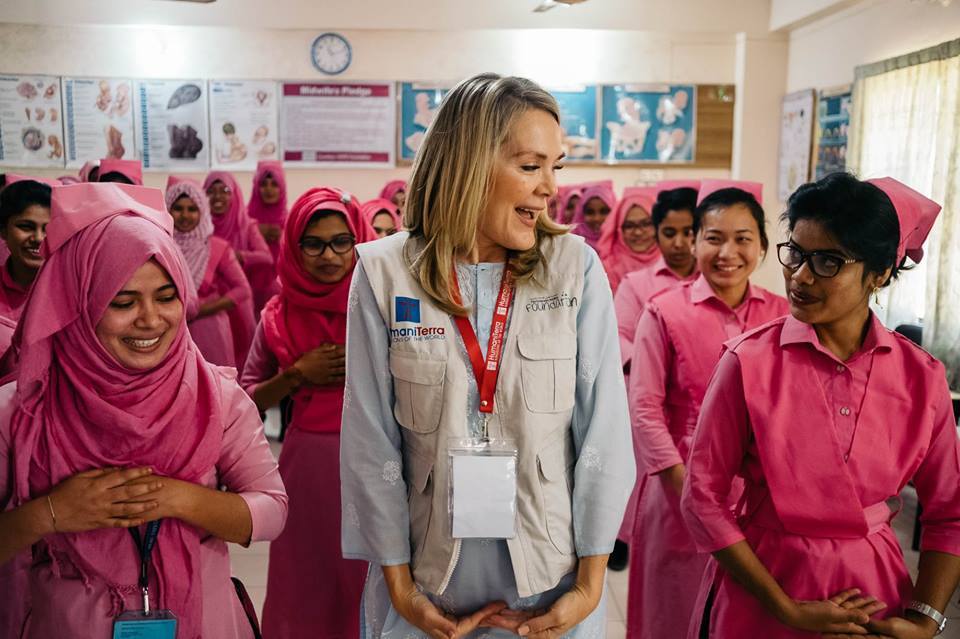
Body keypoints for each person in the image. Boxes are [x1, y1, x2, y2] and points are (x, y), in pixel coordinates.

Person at [340, 72, 634, 639]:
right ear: (469, 164)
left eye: (557, 166)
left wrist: (590, 587)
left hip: (552, 588)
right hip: (427, 590)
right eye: (530, 166)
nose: (550, 187)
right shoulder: (382, 273)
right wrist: (401, 591)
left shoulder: (574, 269)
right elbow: (369, 440)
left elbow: (605, 434)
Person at [0, 181, 287, 638]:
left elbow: (272, 510)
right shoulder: (24, 408)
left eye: (167, 296)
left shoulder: (215, 396)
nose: (152, 320)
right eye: (123, 301)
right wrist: (52, 514)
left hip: (204, 621)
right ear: (79, 302)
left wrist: (176, 498)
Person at [681, 172, 960, 638]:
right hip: (764, 586)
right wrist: (785, 608)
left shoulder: (921, 378)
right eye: (796, 254)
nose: (802, 276)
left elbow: (948, 512)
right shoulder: (748, 361)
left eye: (828, 261)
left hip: (872, 596)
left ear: (880, 273)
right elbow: (702, 497)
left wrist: (925, 619)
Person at [626, 180, 789, 639]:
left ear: (761, 246)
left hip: (760, 492)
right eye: (714, 238)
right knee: (673, 612)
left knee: (745, 613)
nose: (727, 252)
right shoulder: (663, 311)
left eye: (743, 239)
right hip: (678, 482)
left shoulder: (783, 317)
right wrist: (691, 495)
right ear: (696, 240)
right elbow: (645, 410)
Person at [241, 187, 375, 638]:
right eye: (313, 243)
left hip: (375, 463)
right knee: (306, 578)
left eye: (342, 241)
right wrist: (296, 375)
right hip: (306, 467)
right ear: (294, 247)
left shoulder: (380, 308)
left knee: (367, 578)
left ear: (359, 240)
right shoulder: (276, 316)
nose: (329, 255)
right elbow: (244, 400)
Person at [166, 176, 254, 369]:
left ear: (203, 211)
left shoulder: (217, 248)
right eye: (178, 208)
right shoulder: (163, 245)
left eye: (192, 209)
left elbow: (242, 290)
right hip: (170, 330)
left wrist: (201, 309)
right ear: (167, 210)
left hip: (209, 330)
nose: (185, 215)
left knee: (214, 392)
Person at [614, 184, 700, 370]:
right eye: (669, 233)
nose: (679, 243)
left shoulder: (712, 281)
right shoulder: (634, 284)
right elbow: (617, 338)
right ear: (657, 233)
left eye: (688, 233)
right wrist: (652, 366)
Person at [203, 171, 278, 315]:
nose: (217, 197)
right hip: (210, 303)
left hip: (239, 300)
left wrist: (237, 256)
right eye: (210, 191)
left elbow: (266, 257)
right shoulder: (200, 228)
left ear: (234, 195)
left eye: (225, 191)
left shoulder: (246, 226)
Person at [0, 178, 51, 321]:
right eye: (26, 227)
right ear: (3, 231)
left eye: (48, 229)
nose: (39, 238)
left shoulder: (72, 291)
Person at [597, 186, 659, 292]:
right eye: (629, 226)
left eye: (646, 224)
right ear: (620, 229)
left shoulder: (671, 261)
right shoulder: (608, 268)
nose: (638, 232)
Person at [248, 160, 289, 263]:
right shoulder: (243, 218)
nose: (269, 189)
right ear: (256, 187)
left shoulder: (290, 220)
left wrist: (283, 238)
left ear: (282, 187)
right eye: (263, 184)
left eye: (274, 184)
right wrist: (252, 234)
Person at [570, 183, 616, 252]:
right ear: (581, 215)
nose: (597, 218)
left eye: (604, 211)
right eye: (590, 212)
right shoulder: (572, 245)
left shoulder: (625, 245)